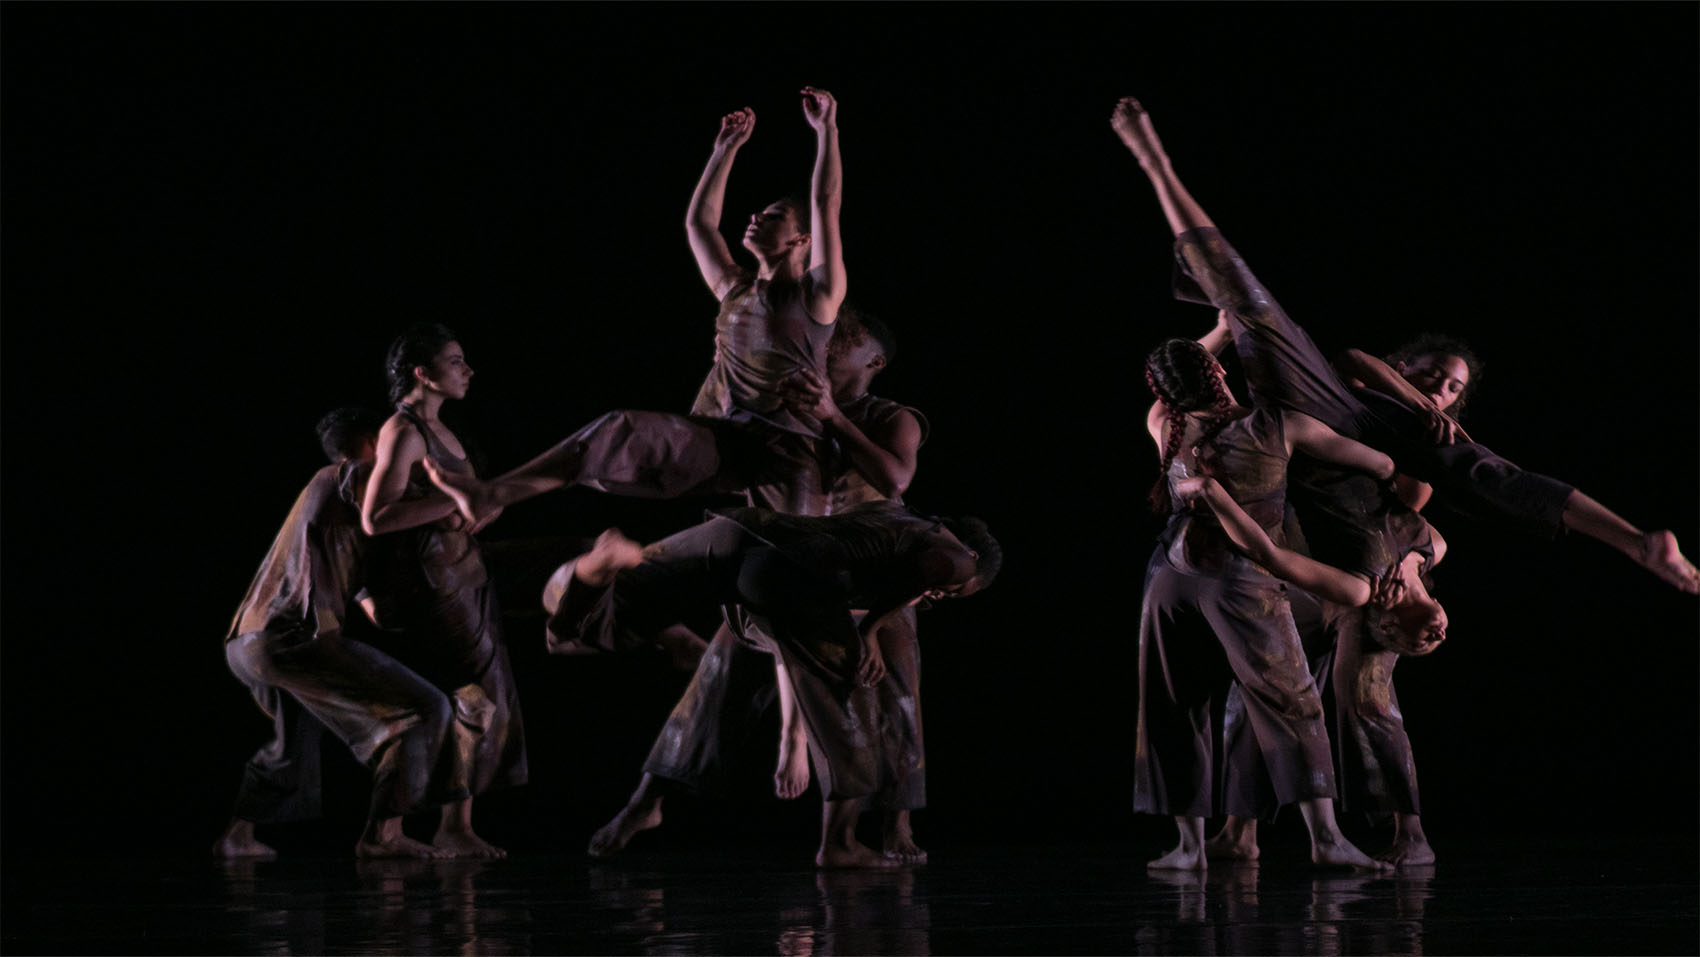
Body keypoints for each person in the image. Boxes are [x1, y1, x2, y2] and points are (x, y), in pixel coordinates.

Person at [1112, 96, 1698, 595]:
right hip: (1327, 408)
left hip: (1340, 482)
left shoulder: (1431, 444)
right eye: (1434, 375)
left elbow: (1400, 504)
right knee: (1254, 304)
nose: (1440, 390)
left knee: (1481, 471)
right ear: (1402, 367)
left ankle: (1638, 542)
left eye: (1452, 390)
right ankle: (1156, 164)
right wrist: (1417, 404)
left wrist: (1407, 562)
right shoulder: (1385, 393)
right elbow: (1351, 361)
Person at [584, 310, 936, 865]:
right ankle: (646, 801)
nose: (830, 341)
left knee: (895, 697)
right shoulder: (784, 409)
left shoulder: (892, 417)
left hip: (867, 585)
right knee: (716, 679)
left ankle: (896, 826)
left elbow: (894, 479)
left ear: (875, 361)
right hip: (781, 573)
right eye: (830, 332)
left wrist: (831, 418)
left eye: (846, 338)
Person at [422, 86, 847, 523]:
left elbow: (825, 203)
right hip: (723, 437)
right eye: (757, 213)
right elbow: (700, 223)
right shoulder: (735, 289)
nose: (755, 217)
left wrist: (825, 129)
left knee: (799, 556)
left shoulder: (816, 296)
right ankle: (492, 495)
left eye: (772, 216)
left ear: (801, 240)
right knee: (616, 431)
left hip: (787, 452)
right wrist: (723, 151)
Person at [515, 495, 1001, 869]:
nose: (941, 592)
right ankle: (840, 844)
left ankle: (590, 577)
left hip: (740, 537)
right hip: (787, 575)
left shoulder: (891, 515)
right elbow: (930, 572)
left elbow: (800, 636)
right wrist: (872, 630)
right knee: (848, 698)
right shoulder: (959, 557)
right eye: (953, 592)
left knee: (590, 627)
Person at [216, 407, 469, 860]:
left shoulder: (324, 495)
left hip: (246, 643)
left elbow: (360, 591)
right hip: (290, 639)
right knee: (424, 708)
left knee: (291, 740)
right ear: (375, 444)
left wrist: (377, 599)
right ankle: (383, 836)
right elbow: (399, 513)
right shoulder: (353, 474)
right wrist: (466, 497)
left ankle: (237, 835)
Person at [361, 324, 527, 860]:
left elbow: (469, 508)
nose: (468, 370)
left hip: (467, 576)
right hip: (433, 585)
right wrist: (457, 504)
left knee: (485, 702)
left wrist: (479, 509)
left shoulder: (446, 433)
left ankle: (452, 824)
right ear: (422, 373)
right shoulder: (404, 430)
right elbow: (376, 517)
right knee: (473, 700)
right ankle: (434, 827)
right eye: (456, 361)